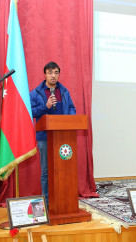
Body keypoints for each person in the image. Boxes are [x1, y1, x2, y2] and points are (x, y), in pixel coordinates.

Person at [30, 61, 76, 205]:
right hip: (45, 137)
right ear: (45, 74)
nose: (53, 76)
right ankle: (47, 202)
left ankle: (63, 198)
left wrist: (68, 120)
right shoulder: (36, 93)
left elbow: (72, 108)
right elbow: (31, 112)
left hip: (63, 136)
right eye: (50, 73)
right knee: (46, 171)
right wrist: (46, 106)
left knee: (64, 168)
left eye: (56, 72)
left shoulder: (64, 91)